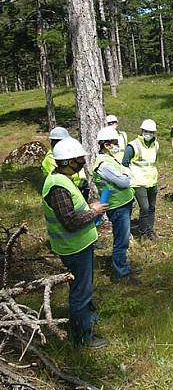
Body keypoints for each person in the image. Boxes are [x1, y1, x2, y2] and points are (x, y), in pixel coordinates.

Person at [42, 138, 109, 348]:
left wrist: (90, 207)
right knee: (81, 292)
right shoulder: (58, 187)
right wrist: (94, 212)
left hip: (79, 245)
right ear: (68, 161)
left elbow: (71, 211)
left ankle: (87, 322)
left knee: (82, 287)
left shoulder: (64, 180)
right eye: (79, 159)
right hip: (74, 248)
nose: (82, 162)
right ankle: (83, 337)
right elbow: (70, 221)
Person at [93, 127, 141, 285]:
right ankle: (122, 274)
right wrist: (128, 174)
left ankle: (123, 267)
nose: (116, 145)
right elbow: (124, 180)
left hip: (123, 203)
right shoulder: (104, 164)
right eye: (114, 143)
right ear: (106, 145)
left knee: (122, 239)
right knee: (121, 241)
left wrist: (125, 173)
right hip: (118, 207)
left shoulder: (109, 159)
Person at [123, 119, 159, 240]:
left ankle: (150, 230)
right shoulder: (133, 146)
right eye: (146, 131)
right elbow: (125, 163)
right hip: (138, 182)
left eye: (151, 132)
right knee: (144, 207)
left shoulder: (156, 145)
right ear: (142, 131)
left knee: (152, 207)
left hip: (152, 180)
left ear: (154, 133)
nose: (148, 134)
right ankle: (143, 232)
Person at [42, 127, 88, 199]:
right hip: (71, 187)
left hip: (76, 186)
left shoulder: (68, 154)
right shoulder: (51, 158)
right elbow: (61, 174)